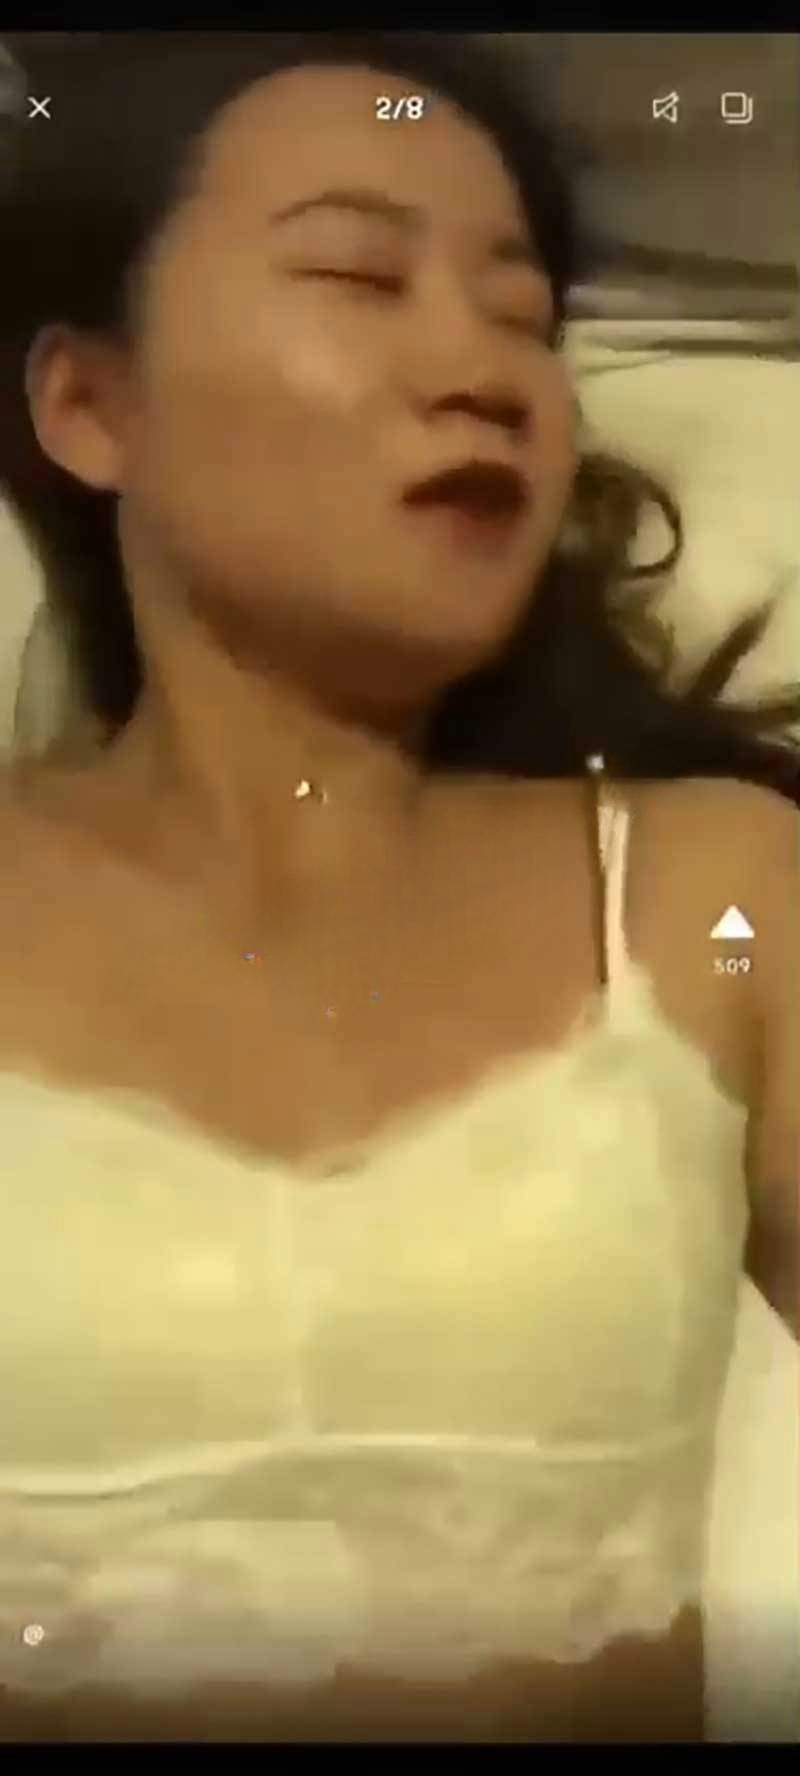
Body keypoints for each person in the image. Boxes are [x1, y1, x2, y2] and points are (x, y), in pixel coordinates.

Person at [0, 31, 797, 1745]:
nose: (484, 371)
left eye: (526, 320)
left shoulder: (715, 892)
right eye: (360, 276)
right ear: (89, 406)